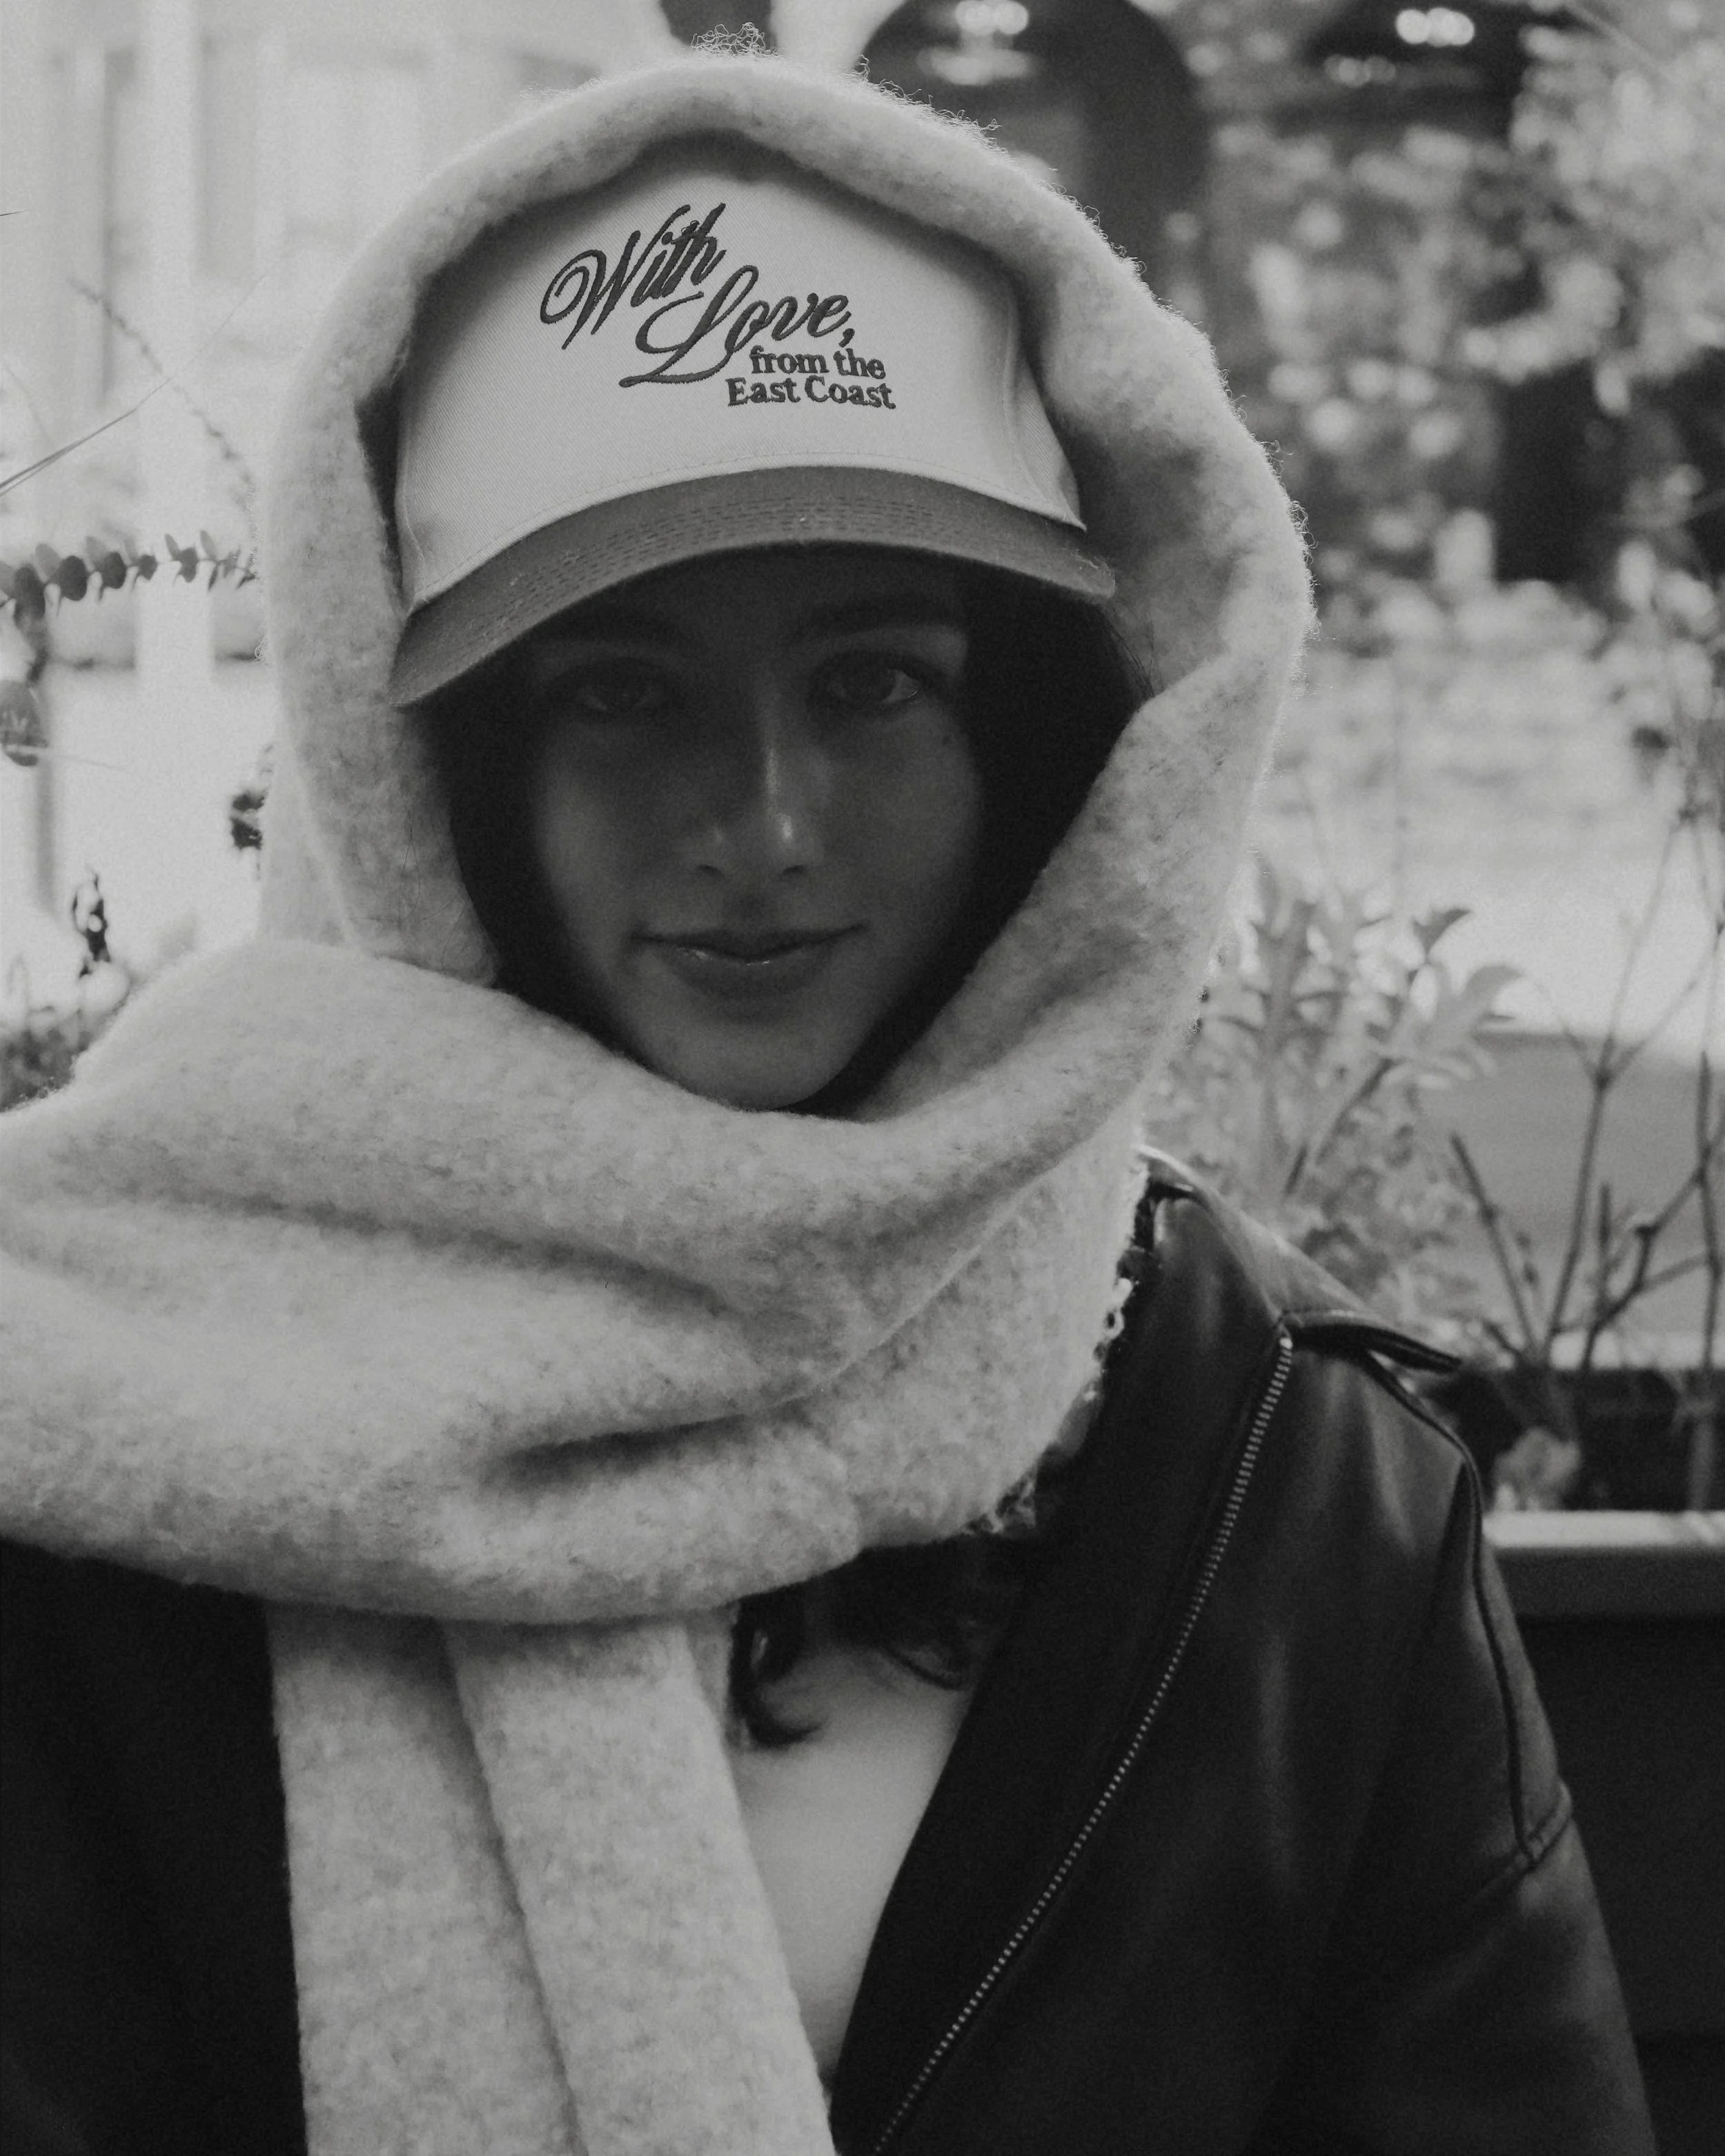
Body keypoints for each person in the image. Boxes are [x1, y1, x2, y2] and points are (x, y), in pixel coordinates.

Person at [0, 48, 1654, 2156]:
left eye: (871, 681)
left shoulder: (1285, 1475)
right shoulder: (114, 1403)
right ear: (441, 771)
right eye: (625, 689)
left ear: (1040, 746)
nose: (762, 822)